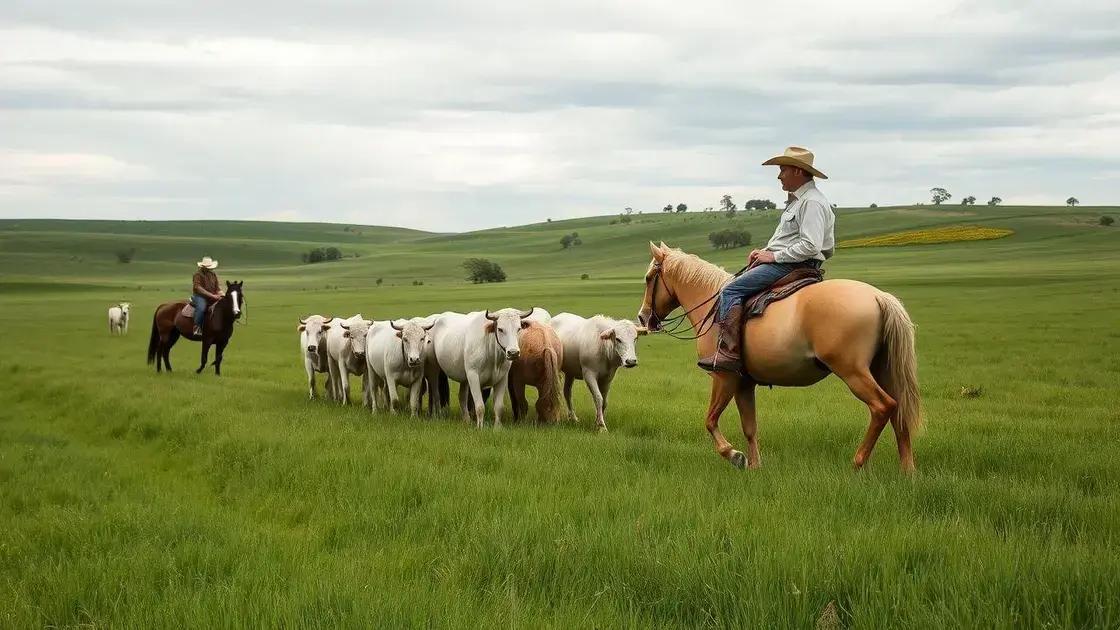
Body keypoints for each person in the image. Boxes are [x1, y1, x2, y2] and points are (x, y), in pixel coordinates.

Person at [698, 146, 835, 373]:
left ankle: (728, 352)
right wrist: (764, 251)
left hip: (792, 265)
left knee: (730, 290)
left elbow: (811, 245)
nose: (779, 176)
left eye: (783, 170)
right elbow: (790, 239)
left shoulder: (811, 202)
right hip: (787, 261)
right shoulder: (801, 200)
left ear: (798, 172)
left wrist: (773, 256)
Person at [191, 256, 223, 336]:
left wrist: (222, 294)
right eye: (208, 267)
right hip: (200, 296)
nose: (209, 269)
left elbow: (217, 287)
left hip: (212, 295)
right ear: (203, 267)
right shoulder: (197, 275)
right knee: (202, 308)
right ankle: (196, 327)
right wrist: (212, 296)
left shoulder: (213, 274)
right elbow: (198, 288)